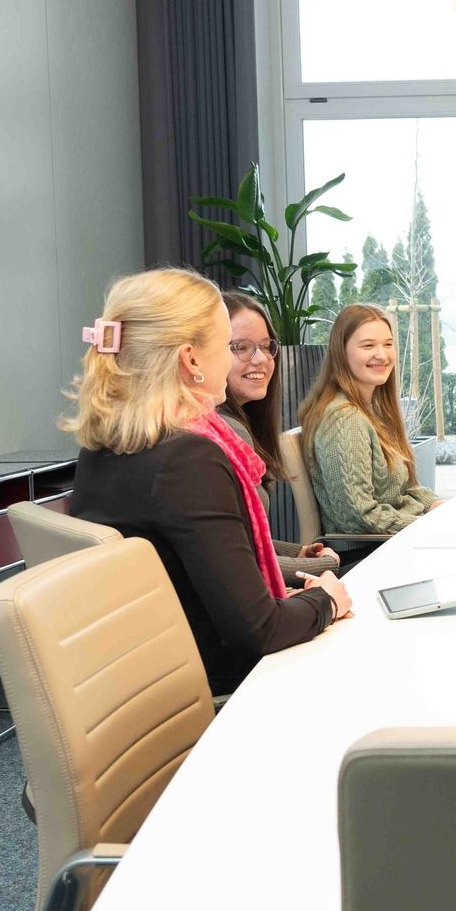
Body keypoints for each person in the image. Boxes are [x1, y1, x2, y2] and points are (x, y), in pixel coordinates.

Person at [65, 267, 352, 697]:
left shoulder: (106, 445)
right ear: (191, 360)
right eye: (226, 346)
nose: (234, 359)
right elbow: (262, 631)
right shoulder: (188, 459)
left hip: (146, 679)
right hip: (212, 686)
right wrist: (327, 598)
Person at [218, 291, 340, 585]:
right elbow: (239, 564)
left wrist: (295, 552)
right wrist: (327, 567)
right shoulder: (223, 432)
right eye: (241, 347)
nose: (260, 359)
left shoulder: (238, 424)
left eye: (265, 346)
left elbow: (233, 543)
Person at [300, 303, 442, 535]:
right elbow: (357, 517)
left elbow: (403, 491)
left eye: (388, 344)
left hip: (395, 542)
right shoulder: (345, 419)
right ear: (341, 352)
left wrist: (437, 506)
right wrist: (429, 526)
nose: (382, 354)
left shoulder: (370, 409)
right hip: (371, 553)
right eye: (368, 346)